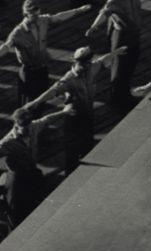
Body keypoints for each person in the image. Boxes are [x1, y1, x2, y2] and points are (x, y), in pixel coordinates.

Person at [0, 105, 70, 230]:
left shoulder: (33, 126)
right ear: (16, 124)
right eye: (23, 126)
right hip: (17, 174)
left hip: (31, 169)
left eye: (28, 124)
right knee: (14, 208)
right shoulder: (9, 142)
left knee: (38, 198)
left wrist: (64, 112)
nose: (26, 129)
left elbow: (47, 119)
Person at [22, 45, 117, 174]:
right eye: (84, 62)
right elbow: (53, 91)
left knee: (87, 142)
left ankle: (85, 168)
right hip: (74, 115)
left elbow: (102, 61)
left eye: (88, 61)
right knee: (72, 145)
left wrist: (116, 52)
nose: (87, 64)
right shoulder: (69, 79)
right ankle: (71, 171)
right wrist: (36, 102)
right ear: (78, 62)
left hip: (88, 112)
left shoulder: (91, 68)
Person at [0, 0, 92, 106]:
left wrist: (79, 10)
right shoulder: (18, 32)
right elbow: (6, 46)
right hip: (29, 72)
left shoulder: (43, 20)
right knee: (28, 102)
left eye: (38, 14)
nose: (37, 17)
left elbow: (59, 17)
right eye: (34, 15)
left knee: (42, 99)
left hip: (42, 68)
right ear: (26, 14)